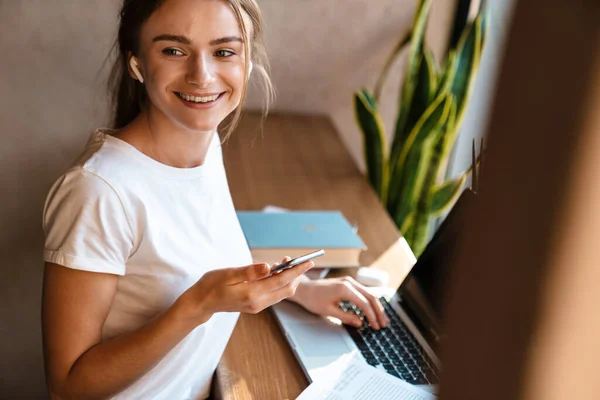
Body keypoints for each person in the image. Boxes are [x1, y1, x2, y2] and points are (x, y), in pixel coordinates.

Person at [41, 0, 389, 398]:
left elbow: (204, 250)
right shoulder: (98, 191)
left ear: (247, 64)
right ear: (136, 63)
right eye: (174, 50)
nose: (202, 76)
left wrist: (301, 291)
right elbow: (68, 385)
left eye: (224, 51)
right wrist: (199, 304)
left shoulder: (205, 145)